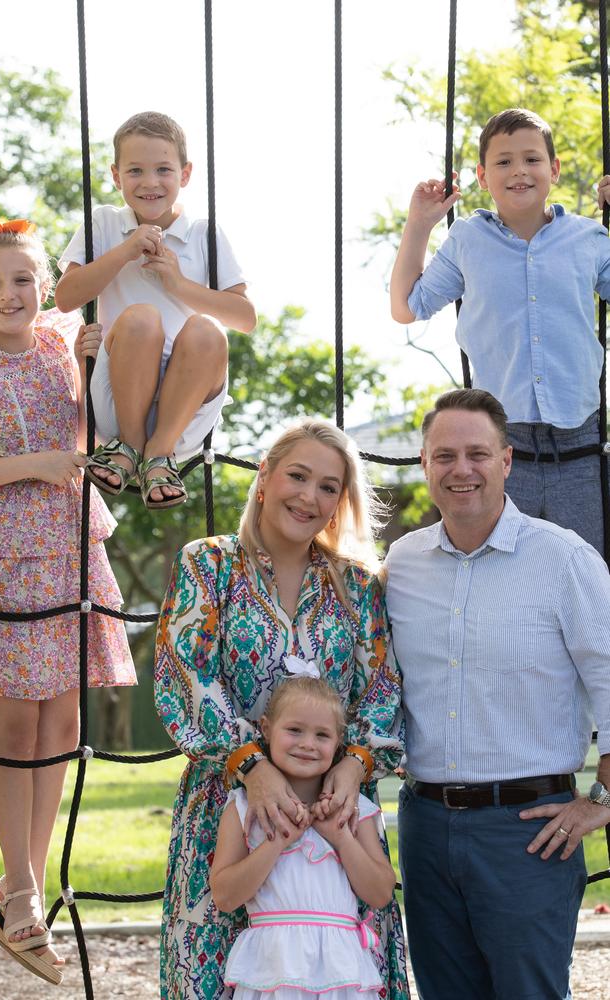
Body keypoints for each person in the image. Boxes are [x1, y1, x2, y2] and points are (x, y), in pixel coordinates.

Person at [154, 419, 409, 1000]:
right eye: (298, 475)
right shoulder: (208, 565)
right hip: (228, 810)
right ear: (264, 478)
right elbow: (183, 676)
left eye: (328, 486)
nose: (309, 496)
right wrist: (253, 766)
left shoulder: (357, 585)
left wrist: (353, 768)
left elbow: (382, 692)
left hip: (335, 816)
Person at [384, 387, 610, 1000]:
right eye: (444, 455)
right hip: (425, 826)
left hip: (529, 833)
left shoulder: (564, 559)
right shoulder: (399, 566)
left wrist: (604, 799)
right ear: (425, 464)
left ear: (506, 460)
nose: (462, 470)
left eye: (477, 454)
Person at [0, 216, 136, 985]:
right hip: (5, 551)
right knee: (19, 718)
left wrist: (96, 358)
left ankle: (18, 888)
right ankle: (21, 884)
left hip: (69, 543)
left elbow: (91, 300)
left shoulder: (64, 340)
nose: (10, 294)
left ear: (40, 286)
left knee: (64, 717)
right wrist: (42, 462)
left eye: (22, 279)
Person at [389, 107, 610, 555]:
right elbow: (407, 306)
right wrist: (419, 224)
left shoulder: (588, 239)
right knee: (505, 566)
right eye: (503, 161)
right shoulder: (469, 240)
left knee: (589, 571)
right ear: (482, 176)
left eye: (531, 159)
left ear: (555, 169)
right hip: (501, 445)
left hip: (581, 442)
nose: (519, 171)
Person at [55, 110, 256, 510]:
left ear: (185, 174)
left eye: (163, 169)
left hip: (185, 412)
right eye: (135, 171)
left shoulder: (204, 233)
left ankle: (159, 455)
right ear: (116, 176)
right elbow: (66, 297)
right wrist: (125, 252)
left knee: (207, 330)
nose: (149, 182)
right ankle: (130, 446)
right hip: (116, 403)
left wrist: (179, 285)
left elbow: (245, 319)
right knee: (144, 317)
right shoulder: (104, 223)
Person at [210, 670, 395, 1000]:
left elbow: (380, 893)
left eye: (322, 735)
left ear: (339, 741)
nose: (308, 744)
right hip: (271, 971)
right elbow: (225, 897)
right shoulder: (241, 807)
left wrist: (341, 838)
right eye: (294, 730)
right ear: (266, 730)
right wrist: (278, 840)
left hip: (342, 975)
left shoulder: (355, 808)